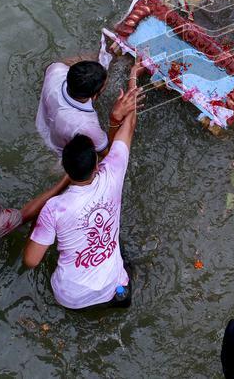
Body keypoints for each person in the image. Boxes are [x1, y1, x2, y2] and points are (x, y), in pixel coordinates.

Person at [22, 62, 143, 309]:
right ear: (98, 164)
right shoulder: (113, 173)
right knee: (123, 256)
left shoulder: (55, 208)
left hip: (67, 297)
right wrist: (132, 81)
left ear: (65, 169)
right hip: (113, 290)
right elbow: (128, 126)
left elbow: (31, 261)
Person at [36, 56, 114, 158]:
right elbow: (107, 154)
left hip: (41, 126)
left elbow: (51, 67)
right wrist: (116, 119)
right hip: (60, 152)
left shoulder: (56, 69)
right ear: (94, 96)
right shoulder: (87, 125)